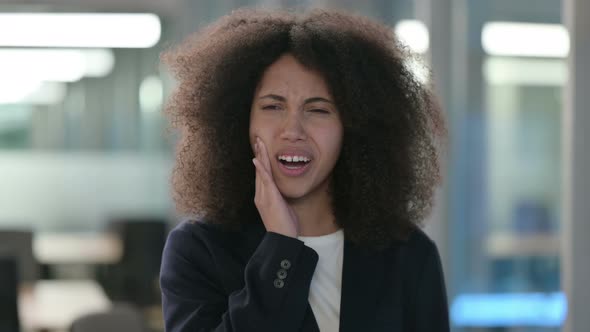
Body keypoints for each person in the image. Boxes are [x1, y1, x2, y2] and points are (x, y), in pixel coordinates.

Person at [159, 7, 449, 332]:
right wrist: (281, 247)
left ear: (353, 128)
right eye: (273, 106)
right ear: (239, 121)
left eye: (318, 110)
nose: (293, 129)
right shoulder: (198, 251)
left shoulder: (408, 256)